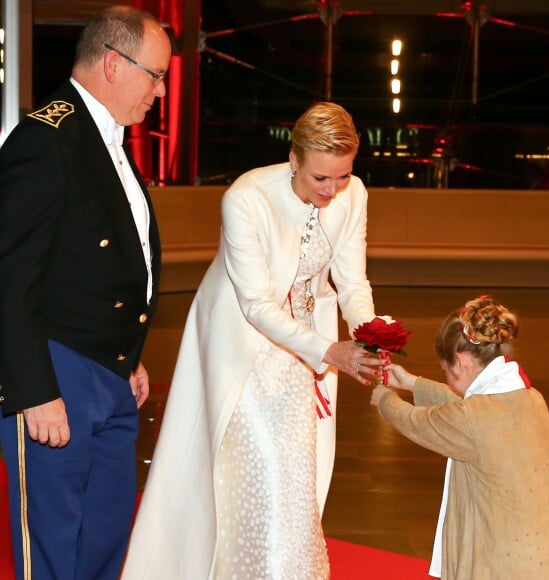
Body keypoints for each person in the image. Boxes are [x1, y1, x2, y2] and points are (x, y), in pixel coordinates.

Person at [122, 101, 386, 579]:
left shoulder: (355, 195)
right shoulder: (246, 197)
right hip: (242, 343)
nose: (332, 191)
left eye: (343, 177)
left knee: (300, 475)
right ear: (294, 160)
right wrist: (330, 352)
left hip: (311, 349)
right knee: (258, 470)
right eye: (319, 179)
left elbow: (351, 282)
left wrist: (369, 335)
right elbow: (256, 306)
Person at [0, 7, 171, 580]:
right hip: (55, 371)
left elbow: (102, 260)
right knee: (50, 545)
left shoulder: (107, 136)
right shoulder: (46, 138)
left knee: (103, 534)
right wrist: (32, 392)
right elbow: (9, 275)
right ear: (114, 64)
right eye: (156, 74)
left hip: (109, 371)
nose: (161, 90)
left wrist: (129, 350)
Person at [371, 295, 549, 579]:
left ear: (461, 362)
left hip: (504, 566)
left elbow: (421, 422)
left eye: (446, 371)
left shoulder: (472, 419)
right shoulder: (530, 397)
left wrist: (384, 400)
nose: (448, 379)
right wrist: (411, 383)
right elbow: (464, 412)